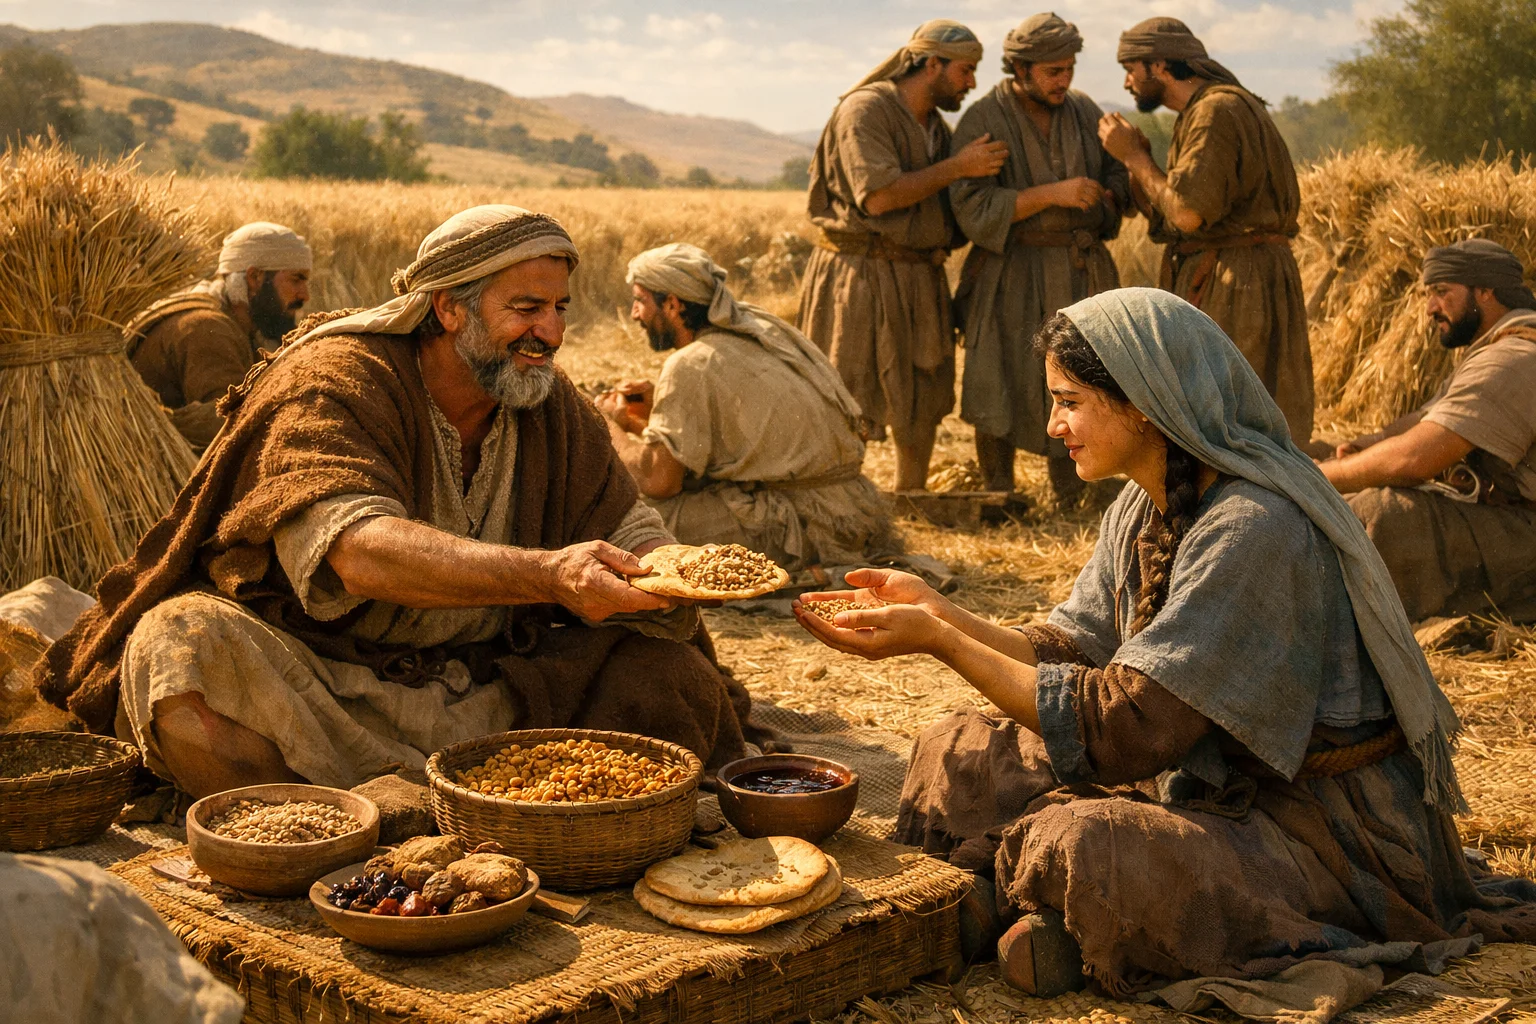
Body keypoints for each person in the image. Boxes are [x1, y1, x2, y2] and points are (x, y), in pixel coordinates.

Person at [794, 289, 1536, 1004]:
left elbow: (1126, 729)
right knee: (957, 749)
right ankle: (1028, 912)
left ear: (1143, 404)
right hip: (1190, 777)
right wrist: (942, 614)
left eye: (1068, 401)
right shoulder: (1142, 500)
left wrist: (941, 642)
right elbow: (1072, 649)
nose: (1053, 425)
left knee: (1089, 843)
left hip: (1312, 825)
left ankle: (1029, 910)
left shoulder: (1253, 526)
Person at [36, 206, 755, 799]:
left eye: (559, 308)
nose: (552, 333)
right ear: (448, 308)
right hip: (323, 682)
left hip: (493, 682)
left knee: (669, 677)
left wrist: (671, 566)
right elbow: (355, 551)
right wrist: (550, 575)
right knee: (179, 645)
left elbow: (624, 519)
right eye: (527, 308)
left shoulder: (546, 398)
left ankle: (462, 806)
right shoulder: (337, 380)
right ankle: (333, 816)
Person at [797, 19, 1008, 492]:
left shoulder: (935, 127)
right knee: (850, 390)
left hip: (919, 273)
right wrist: (958, 168)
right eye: (965, 70)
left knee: (921, 395)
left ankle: (911, 497)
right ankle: (838, 500)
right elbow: (877, 197)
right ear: (932, 64)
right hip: (861, 273)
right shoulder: (866, 110)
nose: (972, 82)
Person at [596, 243, 897, 573]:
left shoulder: (690, 363)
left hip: (801, 524)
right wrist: (649, 416)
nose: (634, 314)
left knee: (630, 517)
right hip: (854, 509)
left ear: (672, 303)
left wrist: (605, 423)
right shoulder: (760, 330)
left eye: (640, 301)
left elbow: (658, 480)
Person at [1097, 18, 1315, 448]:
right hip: (1244, 273)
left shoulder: (1215, 110)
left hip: (1236, 281)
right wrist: (1137, 165)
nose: (1126, 82)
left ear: (1159, 65)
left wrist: (1135, 158)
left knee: (1227, 420)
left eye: (1130, 68)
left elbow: (1188, 214)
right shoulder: (1209, 110)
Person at [949, 13, 1130, 498]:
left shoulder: (1085, 111)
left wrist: (1106, 198)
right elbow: (970, 207)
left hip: (1079, 270)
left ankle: (1074, 492)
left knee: (1080, 376)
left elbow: (1117, 177)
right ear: (1020, 69)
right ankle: (998, 492)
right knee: (996, 376)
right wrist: (1053, 194)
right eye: (1053, 71)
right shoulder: (983, 120)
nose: (1063, 80)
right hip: (1010, 270)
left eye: (1068, 69)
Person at [1323, 239, 1536, 622]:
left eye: (1441, 292)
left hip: (1524, 537)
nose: (1430, 308)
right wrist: (1370, 444)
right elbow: (1428, 416)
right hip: (1506, 522)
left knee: (1384, 513)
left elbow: (1416, 459)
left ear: (1485, 291)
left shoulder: (1513, 359)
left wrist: (1319, 477)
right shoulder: (1495, 346)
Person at [127, 222, 312, 450]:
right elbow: (230, 422)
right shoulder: (207, 329)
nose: (305, 295)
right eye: (296, 279)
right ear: (254, 277)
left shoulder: (236, 325)